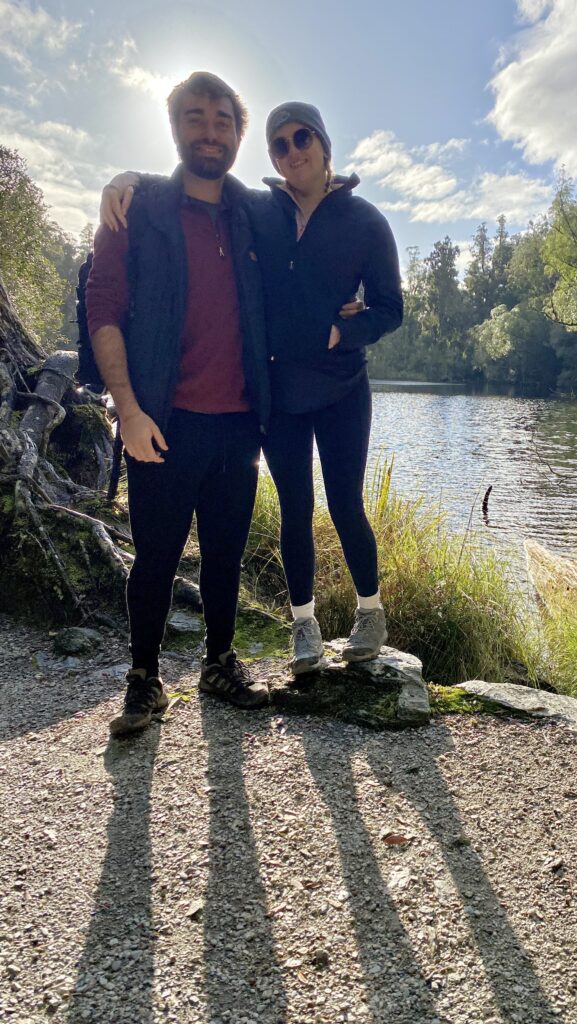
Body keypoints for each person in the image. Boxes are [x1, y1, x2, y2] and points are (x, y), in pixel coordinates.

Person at [102, 101, 403, 677]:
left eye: (302, 138)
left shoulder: (366, 221)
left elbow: (392, 307)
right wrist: (128, 180)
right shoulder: (258, 209)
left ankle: (370, 613)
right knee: (294, 508)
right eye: (280, 144)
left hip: (343, 389)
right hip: (279, 395)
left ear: (323, 142)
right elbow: (195, 176)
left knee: (345, 504)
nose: (293, 151)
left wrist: (349, 329)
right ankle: (305, 625)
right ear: (270, 155)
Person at [88, 71, 272, 737]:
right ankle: (143, 680)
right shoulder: (136, 212)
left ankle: (219, 664)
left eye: (222, 120)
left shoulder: (252, 213)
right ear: (175, 128)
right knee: (157, 558)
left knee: (225, 555)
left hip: (237, 425)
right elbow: (102, 309)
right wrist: (128, 410)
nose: (209, 131)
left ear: (236, 134)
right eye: (195, 118)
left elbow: (309, 222)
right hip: (159, 424)